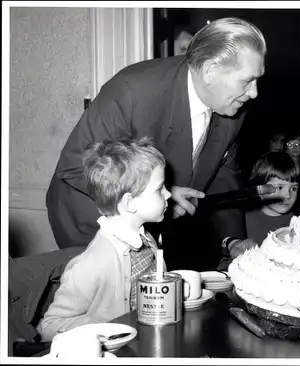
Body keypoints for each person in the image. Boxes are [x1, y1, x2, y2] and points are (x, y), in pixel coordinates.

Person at [45, 18, 267, 270]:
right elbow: (76, 168)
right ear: (210, 71)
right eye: (247, 81)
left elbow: (223, 177)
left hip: (155, 219)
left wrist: (231, 240)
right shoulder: (132, 90)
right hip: (93, 217)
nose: (254, 93)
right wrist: (155, 195)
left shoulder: (233, 109)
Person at [36, 138, 170, 341]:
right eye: (160, 188)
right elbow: (47, 327)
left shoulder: (146, 239)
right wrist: (98, 327)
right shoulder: (94, 264)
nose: (168, 194)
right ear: (129, 202)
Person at [217, 151, 299, 270]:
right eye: (279, 187)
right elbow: (224, 252)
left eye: (294, 188)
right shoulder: (240, 220)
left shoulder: (298, 223)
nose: (287, 195)